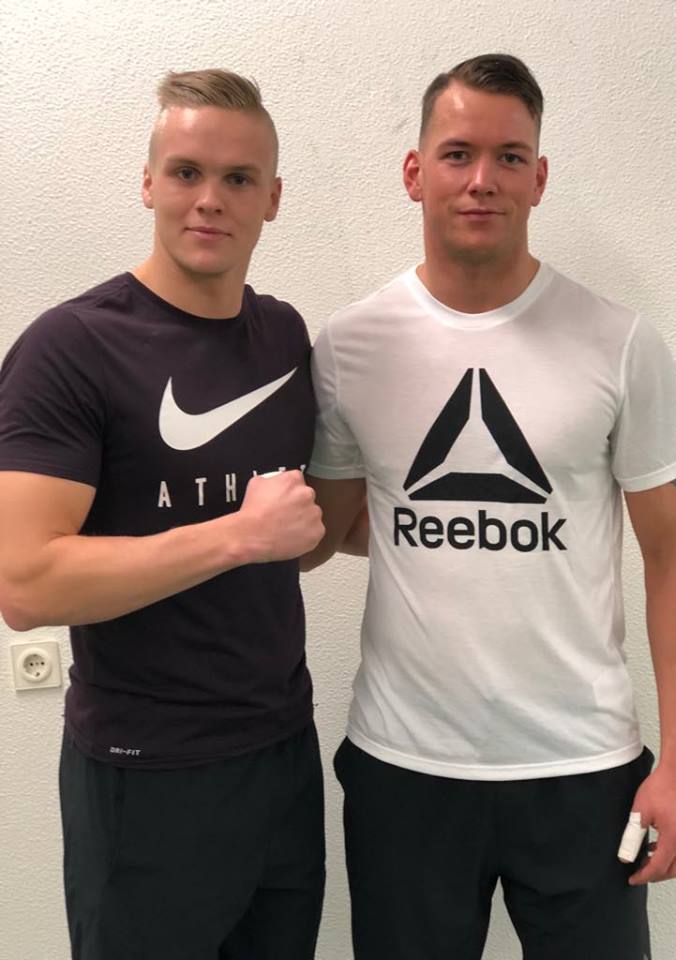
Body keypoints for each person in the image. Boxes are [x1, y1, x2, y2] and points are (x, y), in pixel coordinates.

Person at [302, 54, 676, 960]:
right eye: (457, 154)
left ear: (540, 176)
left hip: (584, 771)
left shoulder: (621, 343)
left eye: (509, 157)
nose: (482, 179)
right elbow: (330, 528)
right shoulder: (348, 347)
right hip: (404, 771)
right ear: (415, 172)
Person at [0, 69, 326, 960]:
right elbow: (25, 583)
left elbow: (305, 529)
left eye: (238, 178)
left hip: (282, 756)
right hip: (144, 776)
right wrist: (237, 537)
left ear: (273, 199)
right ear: (148, 183)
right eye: (186, 172)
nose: (209, 199)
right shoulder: (71, 347)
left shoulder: (284, 336)